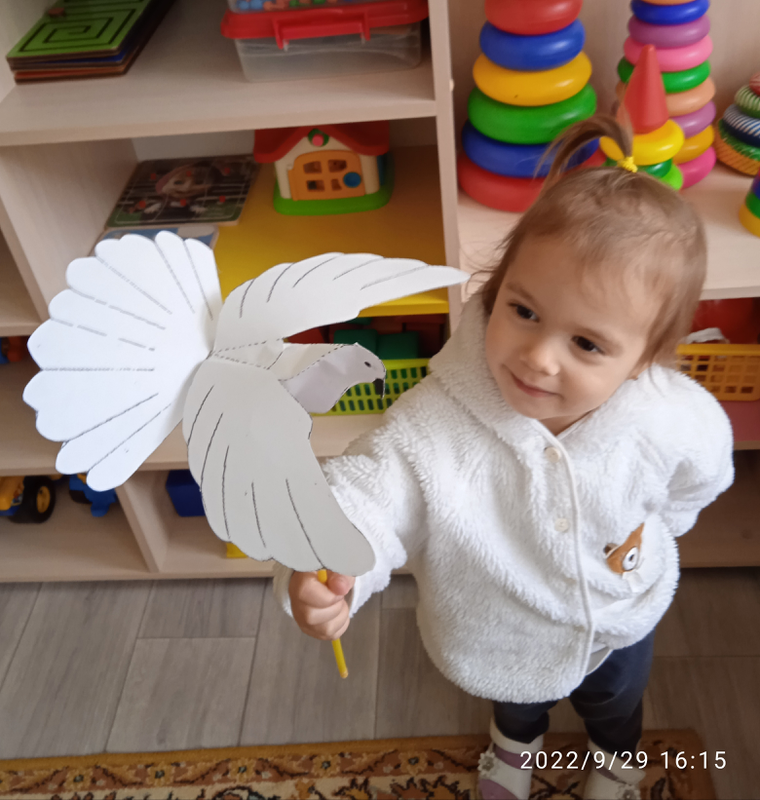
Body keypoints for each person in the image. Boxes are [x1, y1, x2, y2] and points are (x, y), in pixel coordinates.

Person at [273, 116, 734, 800]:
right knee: (517, 705)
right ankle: (514, 746)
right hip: (500, 631)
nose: (538, 357)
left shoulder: (672, 417)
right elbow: (372, 488)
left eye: (587, 344)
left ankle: (616, 758)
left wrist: (662, 529)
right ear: (497, 289)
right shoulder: (441, 416)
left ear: (643, 360)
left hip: (616, 619)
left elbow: (700, 477)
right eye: (523, 311)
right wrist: (329, 556)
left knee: (616, 703)